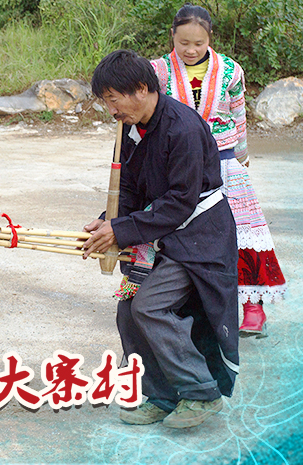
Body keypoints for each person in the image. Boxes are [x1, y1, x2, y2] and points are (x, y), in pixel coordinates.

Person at [82, 50, 239, 429]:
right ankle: (161, 395)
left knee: (149, 306)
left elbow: (181, 202)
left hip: (199, 238)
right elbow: (130, 188)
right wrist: (108, 221)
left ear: (140, 88)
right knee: (128, 311)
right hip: (163, 233)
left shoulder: (182, 129)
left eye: (113, 100)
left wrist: (121, 230)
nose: (111, 110)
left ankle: (201, 392)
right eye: (106, 102)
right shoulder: (131, 129)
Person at [150, 4, 286, 337]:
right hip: (178, 167)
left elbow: (239, 115)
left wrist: (242, 156)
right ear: (172, 36)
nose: (191, 50)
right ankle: (176, 305)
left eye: (198, 43)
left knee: (241, 232)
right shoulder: (158, 72)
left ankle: (253, 307)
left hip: (225, 163)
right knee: (177, 233)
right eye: (183, 43)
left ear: (210, 37)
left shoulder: (231, 70)